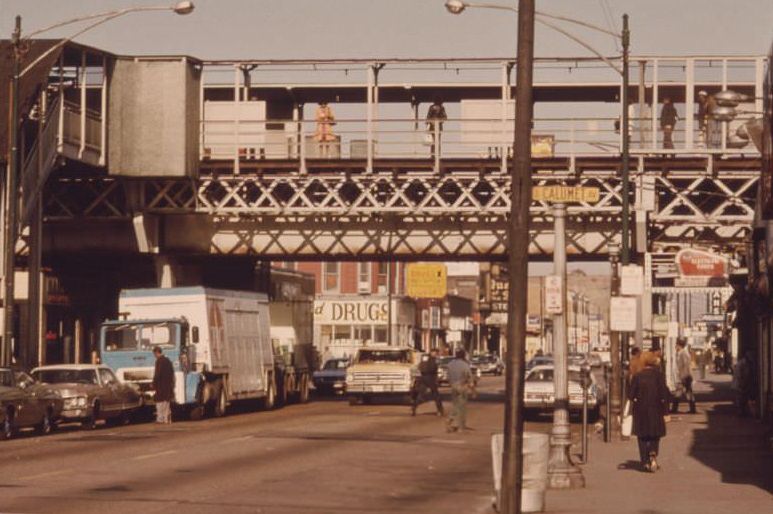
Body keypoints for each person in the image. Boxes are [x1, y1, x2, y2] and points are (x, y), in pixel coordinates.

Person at [629, 351, 670, 472]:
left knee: (642, 436)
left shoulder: (637, 376)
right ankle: (653, 452)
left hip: (640, 409)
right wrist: (666, 411)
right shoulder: (659, 375)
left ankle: (645, 462)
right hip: (656, 408)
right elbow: (664, 394)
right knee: (655, 433)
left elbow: (631, 395)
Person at [410, 349, 444, 417]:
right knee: (436, 395)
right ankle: (440, 410)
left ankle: (414, 407)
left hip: (423, 377)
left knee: (421, 394)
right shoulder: (434, 360)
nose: (435, 354)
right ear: (433, 353)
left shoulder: (424, 357)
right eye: (435, 353)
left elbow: (420, 366)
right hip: (430, 377)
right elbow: (434, 369)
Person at [446, 349, 472, 432]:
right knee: (461, 407)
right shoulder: (465, 365)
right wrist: (471, 385)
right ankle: (460, 426)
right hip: (462, 386)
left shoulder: (450, 364)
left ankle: (451, 418)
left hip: (453, 385)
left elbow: (448, 376)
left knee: (455, 404)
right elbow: (469, 376)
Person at [671, 338, 696, 414]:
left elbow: (686, 366)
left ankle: (691, 409)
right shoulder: (681, 353)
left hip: (684, 376)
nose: (675, 346)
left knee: (685, 392)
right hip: (683, 376)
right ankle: (691, 409)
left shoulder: (683, 354)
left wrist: (683, 377)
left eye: (676, 345)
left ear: (679, 346)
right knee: (682, 392)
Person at [152, 346, 175, 424]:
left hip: (160, 385)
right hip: (168, 385)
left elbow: (157, 374)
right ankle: (167, 419)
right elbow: (172, 373)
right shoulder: (168, 361)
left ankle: (160, 418)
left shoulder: (159, 361)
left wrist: (154, 383)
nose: (154, 356)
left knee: (159, 402)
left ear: (156, 353)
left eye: (154, 354)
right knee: (166, 402)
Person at [733, 350, 756, 417]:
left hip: (745, 383)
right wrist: (741, 383)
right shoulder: (742, 363)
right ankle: (741, 412)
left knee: (744, 398)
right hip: (740, 384)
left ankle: (743, 411)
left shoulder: (748, 363)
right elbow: (739, 375)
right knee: (741, 398)